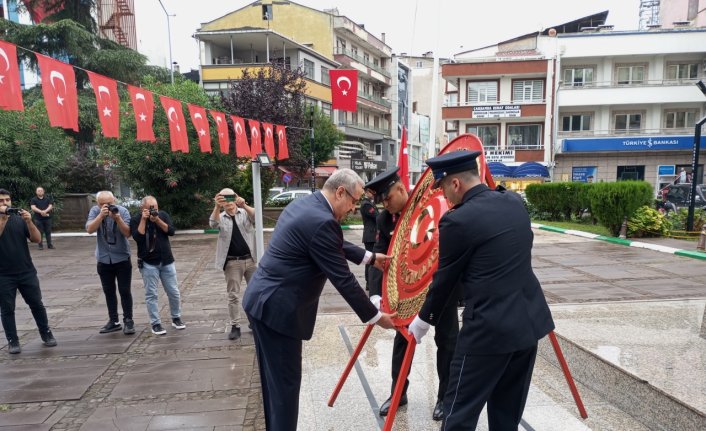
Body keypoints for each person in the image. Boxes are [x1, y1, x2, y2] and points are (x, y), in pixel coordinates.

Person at [408, 151, 555, 430]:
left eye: (443, 189)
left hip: (488, 331)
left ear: (455, 184)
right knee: (506, 415)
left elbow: (445, 279)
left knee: (458, 414)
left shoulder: (457, 221)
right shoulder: (513, 202)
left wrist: (423, 320)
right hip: (528, 325)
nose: (443, 198)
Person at [242, 168, 397, 431]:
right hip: (278, 312)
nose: (353, 208)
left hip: (262, 300)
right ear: (340, 192)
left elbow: (330, 242)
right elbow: (343, 279)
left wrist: (369, 257)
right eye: (353, 201)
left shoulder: (307, 205)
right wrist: (375, 316)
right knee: (285, 389)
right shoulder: (322, 221)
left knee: (274, 386)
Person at [365, 167, 459, 421]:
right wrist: (376, 295)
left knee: (448, 341)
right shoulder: (386, 220)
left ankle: (445, 397)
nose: (386, 205)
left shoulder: (431, 203)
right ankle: (398, 392)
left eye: (388, 198)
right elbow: (379, 260)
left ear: (400, 188)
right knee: (402, 341)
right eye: (382, 202)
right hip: (406, 293)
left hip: (440, 288)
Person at [0, 188, 57, 354]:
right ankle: (13, 341)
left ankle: (46, 334)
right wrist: (3, 219)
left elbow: (37, 239)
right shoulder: (4, 218)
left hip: (26, 270)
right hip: (3, 274)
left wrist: (29, 222)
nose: (5, 203)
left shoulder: (18, 218)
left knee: (37, 304)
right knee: (7, 309)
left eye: (7, 200)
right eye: (1, 201)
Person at [130, 196, 185, 336]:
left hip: (166, 260)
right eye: (150, 208)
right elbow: (138, 237)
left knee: (174, 292)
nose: (154, 210)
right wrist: (144, 219)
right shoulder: (136, 218)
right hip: (148, 262)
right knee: (151, 295)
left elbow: (171, 231)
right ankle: (156, 323)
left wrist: (157, 220)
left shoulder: (163, 215)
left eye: (155, 207)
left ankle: (176, 317)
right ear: (143, 208)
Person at [209, 188, 257, 340]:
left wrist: (244, 205)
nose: (229, 203)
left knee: (255, 293)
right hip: (232, 262)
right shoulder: (221, 216)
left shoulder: (244, 213)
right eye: (225, 199)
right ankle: (235, 325)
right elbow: (213, 224)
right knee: (233, 295)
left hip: (251, 260)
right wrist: (216, 206)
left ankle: (254, 322)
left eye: (231, 198)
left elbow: (258, 217)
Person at [85, 191, 135, 335]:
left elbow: (128, 233)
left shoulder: (123, 211)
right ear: (97, 203)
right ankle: (113, 321)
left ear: (115, 201)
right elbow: (89, 229)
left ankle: (128, 320)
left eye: (110, 203)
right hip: (103, 258)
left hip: (121, 257)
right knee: (109, 291)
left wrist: (118, 219)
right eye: (102, 204)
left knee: (125, 290)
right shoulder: (95, 211)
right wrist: (101, 215)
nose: (107, 206)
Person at [359, 188, 379, 291]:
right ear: (366, 192)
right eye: (371, 192)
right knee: (370, 260)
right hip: (370, 236)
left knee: (371, 260)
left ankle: (370, 283)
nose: (372, 194)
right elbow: (376, 216)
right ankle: (369, 283)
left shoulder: (370, 202)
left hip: (372, 235)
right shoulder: (366, 204)